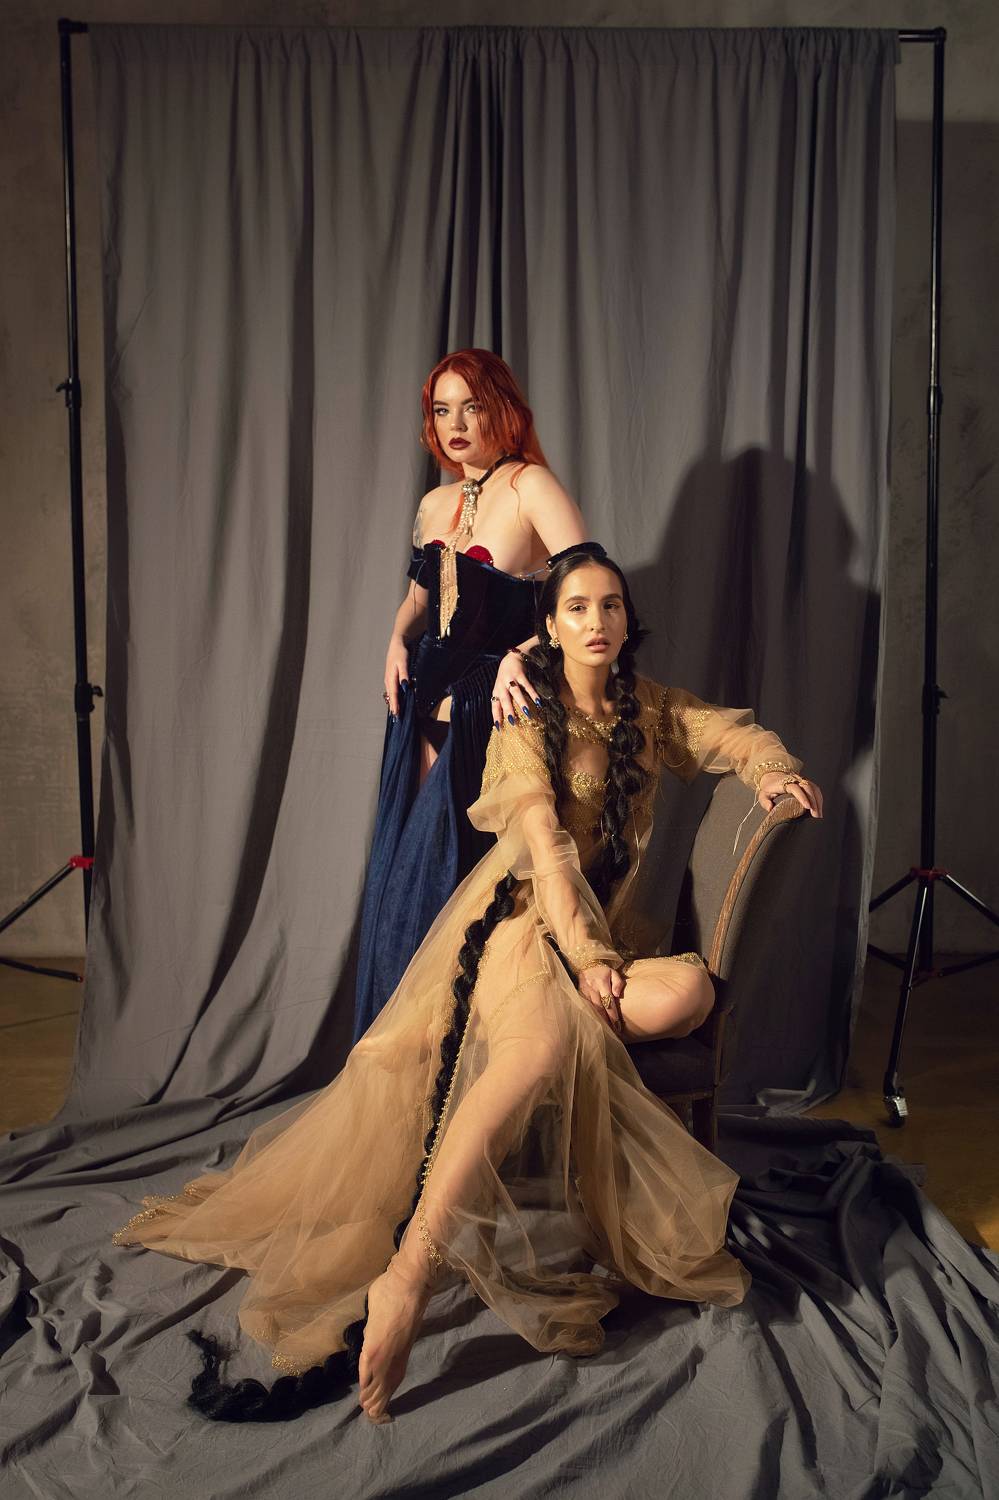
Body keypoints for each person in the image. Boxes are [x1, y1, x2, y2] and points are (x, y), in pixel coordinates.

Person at [113, 548, 822, 1425]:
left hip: (600, 941)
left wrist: (770, 769)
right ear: (548, 626)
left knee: (688, 997)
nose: (595, 622)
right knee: (545, 1045)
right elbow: (548, 854)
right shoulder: (524, 716)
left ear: (625, 620)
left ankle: (563, 1024)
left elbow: (731, 734)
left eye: (609, 605)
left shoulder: (649, 706)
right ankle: (409, 1273)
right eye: (575, 607)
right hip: (520, 930)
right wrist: (585, 959)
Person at [353, 349, 594, 1039]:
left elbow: (586, 592)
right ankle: (401, 1055)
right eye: (442, 410)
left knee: (455, 880)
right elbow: (418, 600)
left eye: (472, 407)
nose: (454, 424)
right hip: (419, 702)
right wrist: (394, 640)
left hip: (488, 709)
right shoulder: (434, 503)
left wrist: (524, 654)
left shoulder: (530, 486)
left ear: (502, 410)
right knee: (404, 880)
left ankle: (460, 1057)